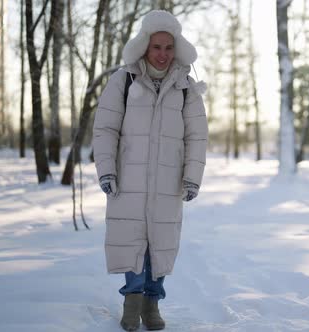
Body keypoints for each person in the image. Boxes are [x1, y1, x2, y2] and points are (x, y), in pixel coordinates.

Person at [92, 10, 208, 331]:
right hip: (128, 179)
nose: (162, 54)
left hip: (167, 183)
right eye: (156, 47)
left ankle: (152, 303)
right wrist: (107, 170)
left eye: (168, 48)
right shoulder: (124, 80)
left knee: (159, 243)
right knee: (132, 241)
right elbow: (105, 128)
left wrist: (191, 177)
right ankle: (132, 301)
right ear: (144, 46)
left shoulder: (185, 87)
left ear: (176, 49)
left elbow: (196, 137)